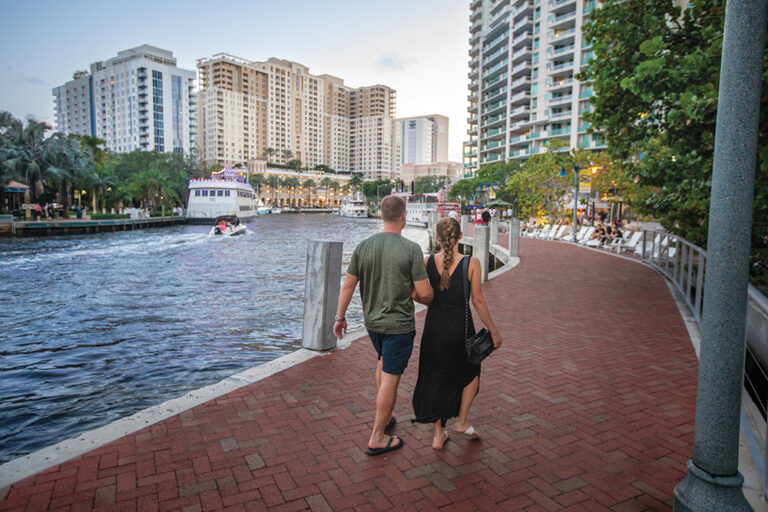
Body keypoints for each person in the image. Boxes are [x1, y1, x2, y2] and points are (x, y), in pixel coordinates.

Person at [334, 195, 433, 456]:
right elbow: (425, 294)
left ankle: (385, 417)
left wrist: (339, 318)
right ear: (404, 217)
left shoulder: (363, 247)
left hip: (373, 324)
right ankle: (377, 437)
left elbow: (348, 285)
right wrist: (414, 291)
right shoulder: (411, 249)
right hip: (398, 326)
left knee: (382, 362)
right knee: (391, 378)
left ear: (380, 215)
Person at [412, 216, 502, 449]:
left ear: (438, 238)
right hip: (460, 327)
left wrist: (429, 303)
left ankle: (438, 434)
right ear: (460, 236)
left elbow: (415, 293)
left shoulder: (425, 261)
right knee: (471, 372)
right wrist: (493, 331)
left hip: (434, 326)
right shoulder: (472, 263)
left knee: (435, 376)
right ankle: (461, 421)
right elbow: (478, 301)